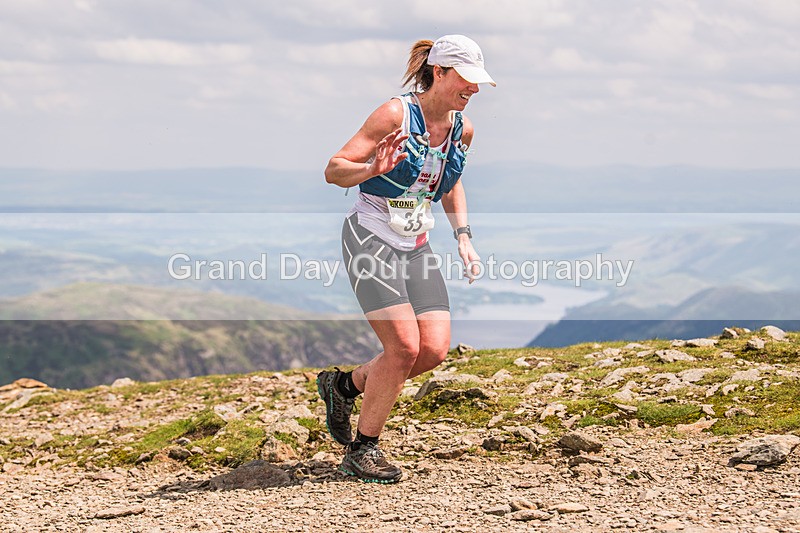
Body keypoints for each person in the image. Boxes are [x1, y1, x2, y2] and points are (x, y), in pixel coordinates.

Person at [318, 35, 495, 483]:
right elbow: (334, 169)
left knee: (432, 350)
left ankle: (343, 386)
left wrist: (464, 237)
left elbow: (449, 181)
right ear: (439, 72)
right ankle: (363, 450)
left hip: (416, 243)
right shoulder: (395, 114)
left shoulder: (462, 128)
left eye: (478, 81)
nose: (473, 89)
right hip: (370, 236)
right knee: (402, 348)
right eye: (467, 79)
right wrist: (371, 169)